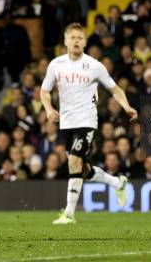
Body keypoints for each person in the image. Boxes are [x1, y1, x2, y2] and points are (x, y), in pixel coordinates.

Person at [41, 23, 138, 224]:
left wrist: (126, 106)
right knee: (83, 168)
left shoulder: (94, 65)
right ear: (65, 41)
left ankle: (68, 214)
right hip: (66, 123)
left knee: (74, 161)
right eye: (73, 38)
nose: (76, 41)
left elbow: (115, 89)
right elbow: (44, 91)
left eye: (80, 38)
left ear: (85, 42)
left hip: (86, 120)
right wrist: (49, 109)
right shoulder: (56, 65)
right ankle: (116, 182)